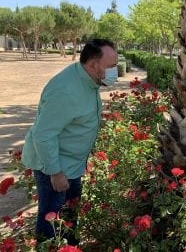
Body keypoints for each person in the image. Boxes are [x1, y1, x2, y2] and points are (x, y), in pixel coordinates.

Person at [22, 39, 118, 245]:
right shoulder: (65, 90)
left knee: (69, 216)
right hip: (56, 167)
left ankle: (70, 248)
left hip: (72, 165)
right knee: (52, 223)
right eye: (111, 66)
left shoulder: (88, 79)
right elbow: (43, 135)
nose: (115, 71)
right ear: (93, 64)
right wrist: (55, 172)